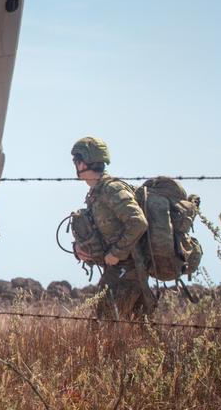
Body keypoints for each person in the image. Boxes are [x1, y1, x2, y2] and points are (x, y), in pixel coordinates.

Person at [72, 136, 156, 321]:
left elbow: (138, 221)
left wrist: (117, 253)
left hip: (128, 271)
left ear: (84, 162)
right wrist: (81, 251)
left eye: (76, 160)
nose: (75, 165)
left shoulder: (112, 189)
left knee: (103, 328)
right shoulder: (96, 193)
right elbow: (103, 234)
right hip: (118, 271)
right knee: (137, 330)